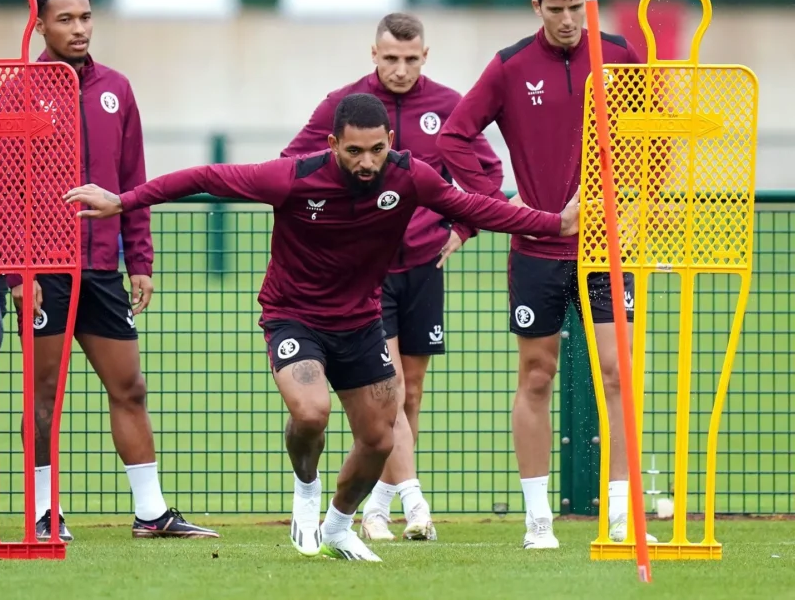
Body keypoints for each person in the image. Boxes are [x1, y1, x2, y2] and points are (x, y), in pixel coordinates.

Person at [64, 93, 579, 562]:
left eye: (376, 150)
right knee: (311, 412)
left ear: (390, 143)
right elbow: (204, 177)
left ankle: (337, 525)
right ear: (333, 144)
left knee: (379, 438)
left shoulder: (410, 176)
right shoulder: (292, 177)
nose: (367, 162)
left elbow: (476, 207)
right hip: (293, 316)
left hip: (360, 321)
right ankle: (306, 491)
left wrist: (554, 223)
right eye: (354, 151)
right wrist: (123, 201)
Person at [435, 0, 651, 549]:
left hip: (609, 249)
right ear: (536, 7)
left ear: (588, 1)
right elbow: (454, 134)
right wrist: (495, 203)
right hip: (537, 250)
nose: (566, 22)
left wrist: (633, 201)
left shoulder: (621, 55)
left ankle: (621, 520)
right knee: (537, 376)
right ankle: (537, 522)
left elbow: (651, 137)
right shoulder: (509, 67)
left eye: (574, 9)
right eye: (554, 11)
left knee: (618, 376)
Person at [5, 0, 218, 541]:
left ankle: (151, 513)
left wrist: (140, 260)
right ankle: (43, 513)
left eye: (86, 17)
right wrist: (14, 275)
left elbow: (133, 181)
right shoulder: (16, 92)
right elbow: (2, 190)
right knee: (44, 394)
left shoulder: (115, 89)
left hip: (101, 270)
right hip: (42, 270)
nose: (79, 29)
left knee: (130, 388)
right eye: (65, 19)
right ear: (41, 24)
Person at [282, 12, 504, 541]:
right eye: (390, 59)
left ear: (425, 56)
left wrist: (464, 225)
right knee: (393, 387)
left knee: (413, 391)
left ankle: (378, 507)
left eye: (410, 59)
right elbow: (293, 164)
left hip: (424, 265)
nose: (400, 69)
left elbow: (488, 174)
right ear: (373, 55)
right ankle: (413, 501)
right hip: (366, 272)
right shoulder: (345, 106)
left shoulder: (449, 106)